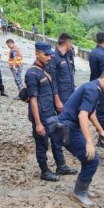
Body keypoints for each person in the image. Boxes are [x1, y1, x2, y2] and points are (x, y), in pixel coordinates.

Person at [59, 71, 104, 208]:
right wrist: (89, 142)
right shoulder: (92, 89)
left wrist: (101, 130)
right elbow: (83, 115)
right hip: (67, 129)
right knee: (92, 159)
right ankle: (79, 192)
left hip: (71, 127)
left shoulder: (94, 88)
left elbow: (91, 113)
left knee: (89, 158)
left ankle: (83, 188)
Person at [25, 42, 76, 182]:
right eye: (45, 54)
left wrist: (58, 102)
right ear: (37, 53)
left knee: (57, 140)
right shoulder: (32, 73)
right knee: (42, 144)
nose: (48, 57)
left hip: (51, 113)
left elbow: (53, 87)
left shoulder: (46, 69)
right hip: (41, 116)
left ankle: (61, 166)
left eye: (50, 54)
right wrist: (38, 123)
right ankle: (44, 171)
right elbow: (33, 100)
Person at [88, 31, 104, 149]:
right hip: (101, 86)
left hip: (93, 83)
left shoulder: (93, 52)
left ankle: (103, 133)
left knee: (99, 111)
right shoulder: (102, 55)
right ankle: (102, 139)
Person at [46, 33, 75, 109]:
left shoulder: (67, 56)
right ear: (68, 43)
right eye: (71, 43)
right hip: (62, 96)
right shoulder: (53, 58)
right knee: (63, 118)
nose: (71, 45)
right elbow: (52, 81)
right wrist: (57, 100)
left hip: (70, 93)